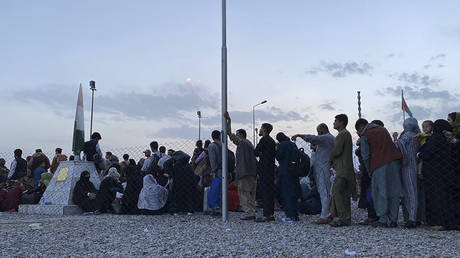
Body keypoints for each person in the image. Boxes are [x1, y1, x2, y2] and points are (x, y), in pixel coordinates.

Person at [356, 118, 402, 228]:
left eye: (358, 130)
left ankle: (383, 219)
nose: (358, 133)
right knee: (393, 191)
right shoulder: (383, 129)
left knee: (380, 192)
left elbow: (366, 156)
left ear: (361, 127)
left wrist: (369, 170)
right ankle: (394, 219)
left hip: (378, 164)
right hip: (394, 162)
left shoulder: (365, 135)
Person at [292, 123, 335, 224]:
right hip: (323, 168)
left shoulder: (327, 137)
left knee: (324, 192)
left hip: (323, 169)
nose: (318, 134)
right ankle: (329, 213)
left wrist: (299, 135)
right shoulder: (329, 139)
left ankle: (324, 216)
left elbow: (312, 138)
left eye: (318, 131)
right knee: (327, 192)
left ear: (321, 131)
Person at [419, 119, 456, 230]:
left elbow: (426, 154)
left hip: (433, 173)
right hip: (443, 172)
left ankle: (438, 222)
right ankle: (447, 222)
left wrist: (419, 153)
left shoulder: (435, 138)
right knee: (443, 197)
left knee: (435, 197)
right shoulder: (445, 139)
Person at [225, 112, 258, 221]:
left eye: (237, 133)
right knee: (251, 194)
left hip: (243, 172)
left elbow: (229, 134)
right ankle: (252, 211)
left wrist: (229, 120)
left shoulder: (242, 143)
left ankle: (248, 213)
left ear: (240, 135)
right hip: (252, 172)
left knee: (243, 193)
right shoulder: (249, 144)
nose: (236, 134)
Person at [328, 114, 356, 227]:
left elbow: (337, 151)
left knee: (336, 191)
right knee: (344, 193)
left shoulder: (342, 134)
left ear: (342, 122)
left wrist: (330, 158)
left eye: (336, 121)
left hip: (342, 168)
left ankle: (342, 217)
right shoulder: (346, 134)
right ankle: (346, 217)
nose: (334, 123)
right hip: (346, 168)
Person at [393, 118, 420, 228]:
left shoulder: (406, 136)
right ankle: (414, 217)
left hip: (406, 165)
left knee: (409, 192)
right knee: (413, 191)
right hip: (414, 164)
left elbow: (397, 147)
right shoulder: (417, 135)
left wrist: (395, 138)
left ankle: (411, 217)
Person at [254, 123, 276, 222]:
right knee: (270, 191)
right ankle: (270, 214)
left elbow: (255, 152)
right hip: (271, 168)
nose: (260, 129)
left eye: (261, 128)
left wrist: (260, 153)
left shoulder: (264, 140)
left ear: (264, 130)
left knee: (265, 191)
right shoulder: (272, 141)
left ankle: (266, 215)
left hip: (264, 168)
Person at [276, 132, 300, 222]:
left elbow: (278, 157)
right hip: (294, 171)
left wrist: (277, 148)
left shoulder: (282, 145)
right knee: (293, 193)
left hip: (285, 171)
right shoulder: (293, 144)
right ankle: (295, 214)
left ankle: (289, 215)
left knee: (286, 193)